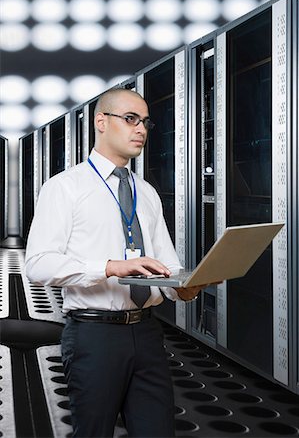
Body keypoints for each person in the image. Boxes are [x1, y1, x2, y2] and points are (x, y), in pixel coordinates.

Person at [25, 88, 207, 438]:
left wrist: (184, 288)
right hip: (94, 334)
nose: (141, 129)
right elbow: (38, 264)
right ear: (101, 122)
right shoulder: (65, 187)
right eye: (130, 119)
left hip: (148, 332)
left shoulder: (147, 191)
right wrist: (109, 267)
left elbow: (166, 263)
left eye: (145, 122)